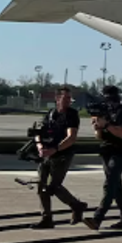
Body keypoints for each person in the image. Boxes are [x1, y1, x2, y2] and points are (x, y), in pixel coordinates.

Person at [31, 88, 87, 229]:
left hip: (62, 155)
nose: (68, 101)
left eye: (69, 98)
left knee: (53, 187)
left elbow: (71, 137)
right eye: (65, 98)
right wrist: (39, 146)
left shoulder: (72, 115)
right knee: (41, 186)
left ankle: (76, 205)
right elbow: (38, 132)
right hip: (46, 154)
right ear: (57, 99)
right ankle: (47, 218)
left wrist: (55, 149)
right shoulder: (50, 114)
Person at [84, 85, 122, 230]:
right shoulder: (106, 112)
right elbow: (99, 137)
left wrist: (106, 124)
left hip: (120, 153)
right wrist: (98, 127)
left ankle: (98, 218)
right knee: (116, 187)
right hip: (107, 152)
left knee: (109, 185)